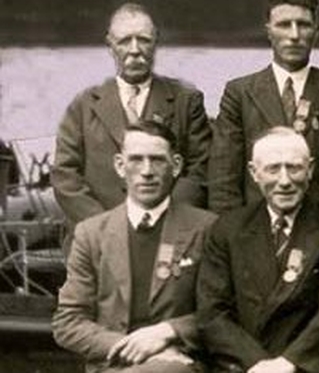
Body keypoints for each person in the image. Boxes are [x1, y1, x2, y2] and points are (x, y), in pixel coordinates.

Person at [53, 121, 217, 373]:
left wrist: (169, 332)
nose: (147, 171)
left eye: (157, 160)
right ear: (120, 165)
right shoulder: (91, 233)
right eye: (136, 160)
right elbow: (69, 321)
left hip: (179, 365)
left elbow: (220, 314)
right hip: (113, 365)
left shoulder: (206, 228)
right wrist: (135, 347)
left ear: (176, 166)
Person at [197, 127, 319, 373]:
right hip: (245, 366)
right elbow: (212, 313)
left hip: (311, 365)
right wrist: (260, 364)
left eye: (294, 168)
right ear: (254, 173)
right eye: (273, 169)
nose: (284, 181)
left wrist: (289, 363)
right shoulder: (227, 228)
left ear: (310, 169)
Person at [53, 3, 212, 251]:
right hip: (98, 242)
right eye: (125, 41)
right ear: (110, 45)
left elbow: (199, 170)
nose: (135, 50)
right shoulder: (83, 106)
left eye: (144, 40)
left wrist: (164, 221)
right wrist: (106, 227)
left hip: (169, 237)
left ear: (156, 43)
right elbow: (65, 176)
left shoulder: (185, 101)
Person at [209, 0, 319, 226]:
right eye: (284, 25)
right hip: (252, 230)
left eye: (303, 25)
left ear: (316, 31)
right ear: (269, 31)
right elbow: (224, 183)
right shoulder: (239, 94)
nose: (294, 35)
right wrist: (234, 240)